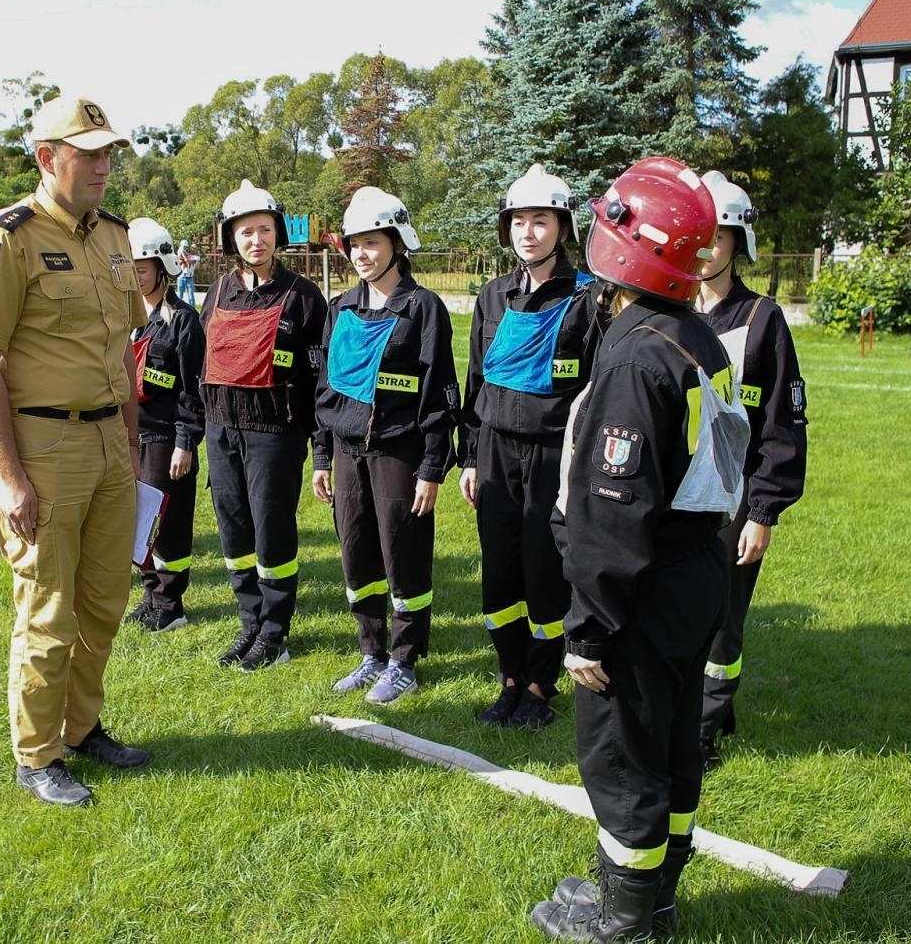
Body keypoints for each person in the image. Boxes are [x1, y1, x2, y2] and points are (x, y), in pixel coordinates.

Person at [530, 156, 748, 942]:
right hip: (696, 571)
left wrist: (590, 626)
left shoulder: (634, 356)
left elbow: (612, 517)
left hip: (645, 585)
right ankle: (653, 898)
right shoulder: (695, 335)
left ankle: (624, 922)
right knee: (671, 743)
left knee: (622, 758)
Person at [0, 94, 152, 808]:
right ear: (48, 158)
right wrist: (8, 476)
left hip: (108, 442)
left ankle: (81, 728)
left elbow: (124, 346)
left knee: (104, 602)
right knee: (48, 609)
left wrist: (130, 440)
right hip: (43, 445)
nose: (105, 165)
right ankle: (37, 755)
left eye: (108, 154)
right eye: (91, 153)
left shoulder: (113, 236)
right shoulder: (8, 236)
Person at [457, 163, 600, 729]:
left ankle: (541, 684)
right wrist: (469, 455)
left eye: (540, 221)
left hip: (554, 454)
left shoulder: (589, 299)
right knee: (500, 571)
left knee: (545, 570)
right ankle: (509, 676)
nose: (528, 232)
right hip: (494, 450)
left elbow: (597, 389)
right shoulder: (493, 296)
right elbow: (476, 380)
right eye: (518, 221)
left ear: (562, 229)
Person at [313, 187, 458, 704]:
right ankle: (371, 651)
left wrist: (432, 467)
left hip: (401, 452)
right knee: (357, 555)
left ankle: (404, 659)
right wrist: (323, 458)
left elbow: (441, 391)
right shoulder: (340, 309)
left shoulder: (423, 308)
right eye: (353, 244)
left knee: (404, 554)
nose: (360, 254)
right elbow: (325, 389)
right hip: (348, 453)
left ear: (397, 244)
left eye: (371, 242)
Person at [694, 171, 808, 767]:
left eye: (716, 236)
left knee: (723, 617)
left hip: (733, 497)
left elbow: (781, 429)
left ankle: (706, 727)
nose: (704, 248)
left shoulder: (763, 319)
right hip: (677, 493)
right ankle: (693, 707)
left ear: (739, 243)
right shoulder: (667, 309)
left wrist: (762, 511)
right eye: (695, 234)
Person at [201, 179, 328, 672]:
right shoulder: (218, 291)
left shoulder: (303, 296)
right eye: (246, 232)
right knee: (233, 531)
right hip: (220, 431)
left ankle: (276, 633)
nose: (257, 240)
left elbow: (319, 379)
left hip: (275, 434)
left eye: (265, 230)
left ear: (279, 234)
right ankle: (249, 623)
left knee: (272, 532)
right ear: (231, 238)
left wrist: (320, 451)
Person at [125, 217, 206, 633]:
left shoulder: (183, 322)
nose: (135, 277)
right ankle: (150, 592)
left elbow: (194, 390)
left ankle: (171, 605)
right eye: (128, 268)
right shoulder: (128, 319)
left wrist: (185, 442)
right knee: (139, 520)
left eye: (141, 268)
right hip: (133, 436)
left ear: (162, 268)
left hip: (166, 438)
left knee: (167, 523)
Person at [175, 240, 197, 307]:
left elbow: (190, 260)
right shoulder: (181, 251)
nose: (193, 249)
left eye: (195, 248)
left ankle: (193, 310)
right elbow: (183, 259)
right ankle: (178, 309)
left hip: (189, 277)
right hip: (181, 276)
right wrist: (183, 260)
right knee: (180, 296)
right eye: (192, 248)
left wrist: (184, 260)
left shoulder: (195, 256)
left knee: (191, 296)